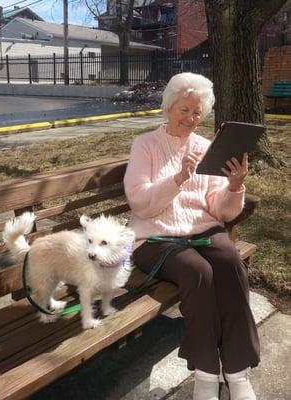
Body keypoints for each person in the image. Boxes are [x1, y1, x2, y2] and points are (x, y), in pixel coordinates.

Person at [124, 72, 260, 400]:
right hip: (156, 237)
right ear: (169, 108)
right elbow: (139, 202)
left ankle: (237, 372)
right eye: (184, 109)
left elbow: (221, 211)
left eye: (197, 112)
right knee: (199, 272)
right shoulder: (145, 145)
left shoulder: (206, 147)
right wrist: (178, 178)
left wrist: (235, 185)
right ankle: (206, 373)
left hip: (202, 230)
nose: (191, 118)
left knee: (230, 264)